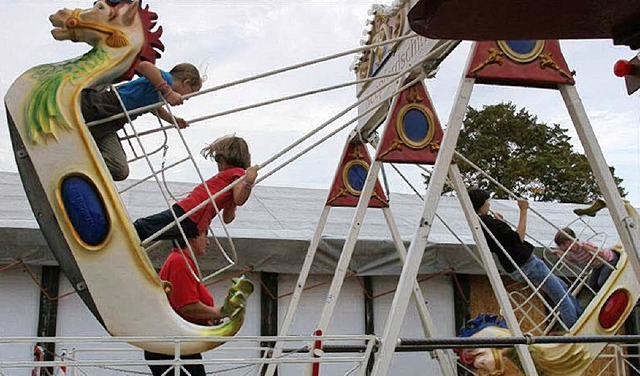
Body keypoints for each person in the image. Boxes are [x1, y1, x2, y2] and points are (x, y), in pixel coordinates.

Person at [468, 188, 582, 328]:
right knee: (561, 297)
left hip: (513, 267)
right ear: (482, 204)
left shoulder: (479, 225)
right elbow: (519, 238)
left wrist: (502, 223)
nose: (489, 205)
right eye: (487, 202)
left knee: (562, 287)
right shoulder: (491, 224)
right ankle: (576, 329)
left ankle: (581, 316)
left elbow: (502, 241)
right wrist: (523, 210)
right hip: (527, 263)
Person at [81, 62, 202, 181]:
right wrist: (168, 92)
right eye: (189, 94)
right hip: (104, 105)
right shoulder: (166, 80)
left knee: (120, 170)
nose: (185, 99)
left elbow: (155, 109)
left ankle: (77, 164)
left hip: (111, 124)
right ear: (186, 82)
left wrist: (173, 120)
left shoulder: (157, 94)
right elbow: (144, 66)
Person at [134, 135, 258, 243]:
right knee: (150, 232)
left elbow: (239, 200)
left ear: (223, 160)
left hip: (190, 212)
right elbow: (228, 218)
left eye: (219, 162)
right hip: (194, 222)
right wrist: (232, 202)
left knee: (142, 226)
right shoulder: (231, 184)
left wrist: (249, 182)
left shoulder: (238, 174)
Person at [143, 231, 224, 376]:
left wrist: (209, 317)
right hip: (171, 347)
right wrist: (218, 312)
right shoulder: (179, 262)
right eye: (204, 235)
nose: (208, 241)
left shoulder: (182, 261)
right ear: (191, 238)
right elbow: (187, 306)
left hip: (177, 345)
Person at [554, 227, 619, 292]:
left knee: (601, 281)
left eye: (564, 243)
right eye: (560, 245)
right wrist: (559, 254)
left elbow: (602, 254)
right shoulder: (571, 253)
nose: (563, 247)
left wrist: (589, 249)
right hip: (597, 266)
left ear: (572, 240)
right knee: (591, 285)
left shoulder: (584, 245)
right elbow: (572, 260)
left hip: (608, 260)